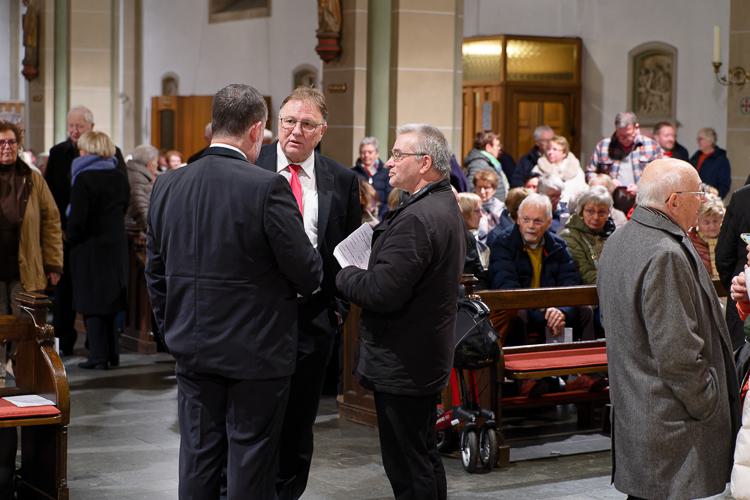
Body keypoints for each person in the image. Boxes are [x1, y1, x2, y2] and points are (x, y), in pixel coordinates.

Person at [145, 83, 323, 499]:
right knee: (250, 462)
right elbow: (308, 272)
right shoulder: (265, 188)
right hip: (256, 355)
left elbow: (155, 273)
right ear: (256, 130)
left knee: (197, 457)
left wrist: (173, 327)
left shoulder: (168, 185)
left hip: (191, 345)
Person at [336, 123, 466, 500]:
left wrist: (345, 274)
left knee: (408, 464)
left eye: (397, 155)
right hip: (422, 353)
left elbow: (381, 292)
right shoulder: (442, 203)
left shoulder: (418, 218)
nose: (388, 163)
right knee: (422, 454)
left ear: (425, 163)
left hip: (405, 358)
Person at [597, 158, 740, 499]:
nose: (702, 201)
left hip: (638, 409)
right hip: (670, 422)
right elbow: (677, 351)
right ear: (674, 200)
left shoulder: (619, 241)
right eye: (697, 194)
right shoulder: (665, 253)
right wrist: (708, 402)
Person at [255, 86, 361, 500]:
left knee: (299, 425)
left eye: (306, 124)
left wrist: (338, 309)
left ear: (322, 131)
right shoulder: (254, 165)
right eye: (288, 121)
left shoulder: (341, 179)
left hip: (313, 320)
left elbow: (350, 250)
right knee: (256, 421)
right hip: (258, 318)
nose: (295, 131)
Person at [45, 105, 127, 355]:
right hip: (64, 232)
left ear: (90, 127)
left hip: (88, 235)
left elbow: (121, 200)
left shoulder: (111, 155)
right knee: (64, 294)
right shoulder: (58, 153)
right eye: (70, 125)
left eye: (79, 126)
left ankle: (97, 347)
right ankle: (64, 343)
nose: (73, 131)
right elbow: (50, 195)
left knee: (95, 294)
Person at [487, 193, 589, 345]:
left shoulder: (557, 246)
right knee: (516, 314)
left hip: (553, 308)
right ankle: (521, 366)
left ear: (548, 222)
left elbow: (570, 284)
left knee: (585, 312)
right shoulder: (503, 244)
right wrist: (544, 314)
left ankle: (587, 365)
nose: (531, 226)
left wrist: (561, 311)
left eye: (538, 221)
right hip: (523, 308)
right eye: (526, 220)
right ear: (518, 220)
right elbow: (507, 290)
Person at [66, 131, 129, 370]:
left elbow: (78, 219)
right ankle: (113, 354)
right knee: (111, 303)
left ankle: (98, 357)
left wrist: (71, 238)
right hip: (114, 246)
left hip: (90, 248)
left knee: (92, 303)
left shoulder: (84, 177)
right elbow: (124, 205)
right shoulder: (118, 176)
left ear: (88, 150)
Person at [586, 111, 661, 200]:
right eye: (621, 136)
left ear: (636, 127)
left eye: (628, 135)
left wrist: (641, 189)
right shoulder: (603, 145)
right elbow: (589, 173)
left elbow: (660, 177)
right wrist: (607, 183)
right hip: (610, 201)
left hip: (642, 202)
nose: (624, 139)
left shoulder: (652, 146)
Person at [717, 180, 750, 350]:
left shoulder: (741, 197)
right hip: (742, 298)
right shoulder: (742, 197)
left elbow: (723, 256)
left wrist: (735, 285)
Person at [532, 135, 586, 204]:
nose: (550, 152)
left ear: (564, 153)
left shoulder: (575, 169)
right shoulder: (539, 168)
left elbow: (581, 190)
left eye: (554, 149)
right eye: (548, 149)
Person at [464, 130, 510, 202]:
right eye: (497, 145)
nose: (499, 148)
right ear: (488, 147)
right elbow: (473, 190)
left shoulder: (488, 162)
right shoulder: (478, 163)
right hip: (487, 210)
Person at [352, 136, 391, 219]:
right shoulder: (353, 173)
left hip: (381, 218)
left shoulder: (386, 173)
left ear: (377, 154)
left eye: (370, 152)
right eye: (363, 152)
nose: (366, 155)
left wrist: (381, 219)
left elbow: (389, 199)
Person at [688, 194, 725, 280]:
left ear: (721, 220)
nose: (712, 226)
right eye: (706, 222)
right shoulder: (692, 241)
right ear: (698, 222)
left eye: (715, 221)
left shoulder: (726, 240)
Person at [125, 144, 159, 233]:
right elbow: (140, 206)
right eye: (156, 161)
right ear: (150, 163)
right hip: (136, 230)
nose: (157, 165)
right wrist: (152, 231)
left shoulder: (137, 172)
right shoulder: (137, 177)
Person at [690, 127, 731, 198]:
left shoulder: (721, 159)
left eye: (700, 139)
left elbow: (724, 184)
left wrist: (715, 198)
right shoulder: (696, 156)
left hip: (710, 200)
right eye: (698, 139)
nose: (698, 141)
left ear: (710, 141)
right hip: (694, 198)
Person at [473, 169, 504, 245]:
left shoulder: (501, 208)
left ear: (494, 189)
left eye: (486, 188)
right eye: (479, 187)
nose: (482, 191)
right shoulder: (470, 206)